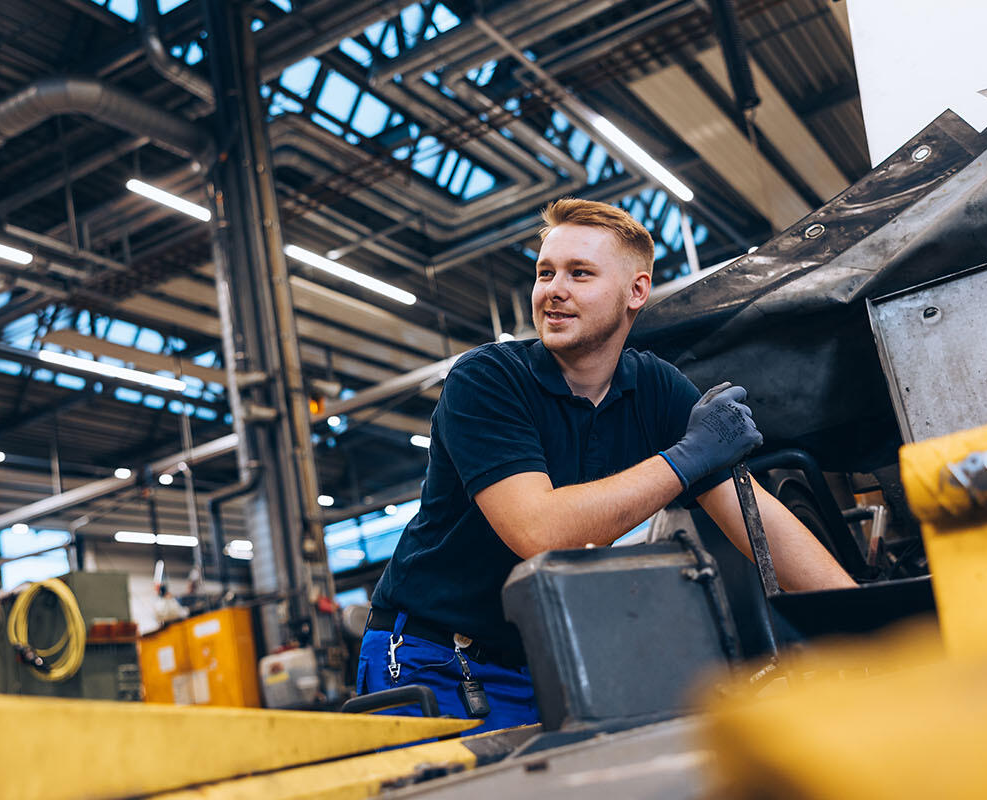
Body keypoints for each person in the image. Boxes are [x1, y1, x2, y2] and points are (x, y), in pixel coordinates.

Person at [357, 198, 855, 733]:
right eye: (545, 273)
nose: (554, 289)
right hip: (433, 659)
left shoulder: (655, 388)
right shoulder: (488, 379)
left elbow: (761, 524)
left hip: (546, 657)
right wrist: (687, 457)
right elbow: (540, 531)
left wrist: (869, 626)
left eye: (580, 273)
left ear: (635, 291)